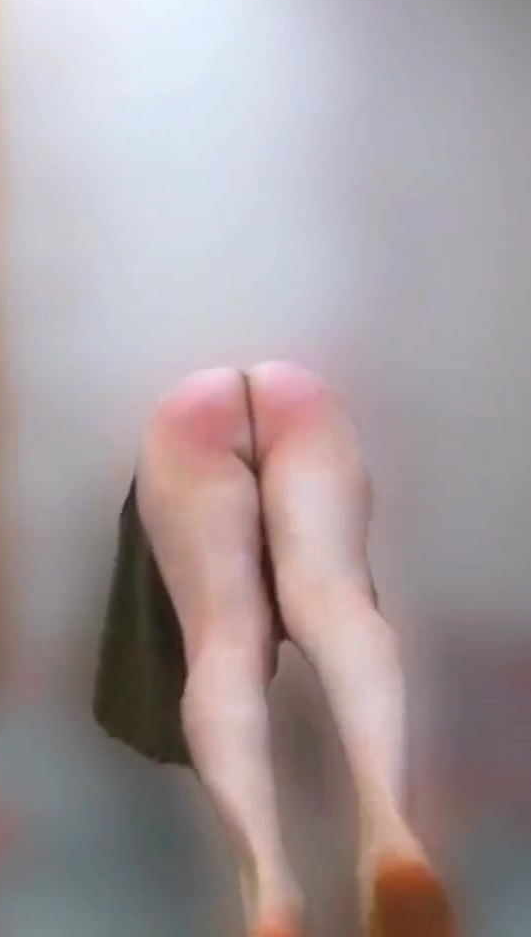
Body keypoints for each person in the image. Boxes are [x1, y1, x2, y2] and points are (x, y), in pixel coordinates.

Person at [94, 360, 456, 937]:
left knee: (222, 639)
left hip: (187, 412)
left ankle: (268, 888)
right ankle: (389, 830)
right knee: (340, 607)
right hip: (298, 391)